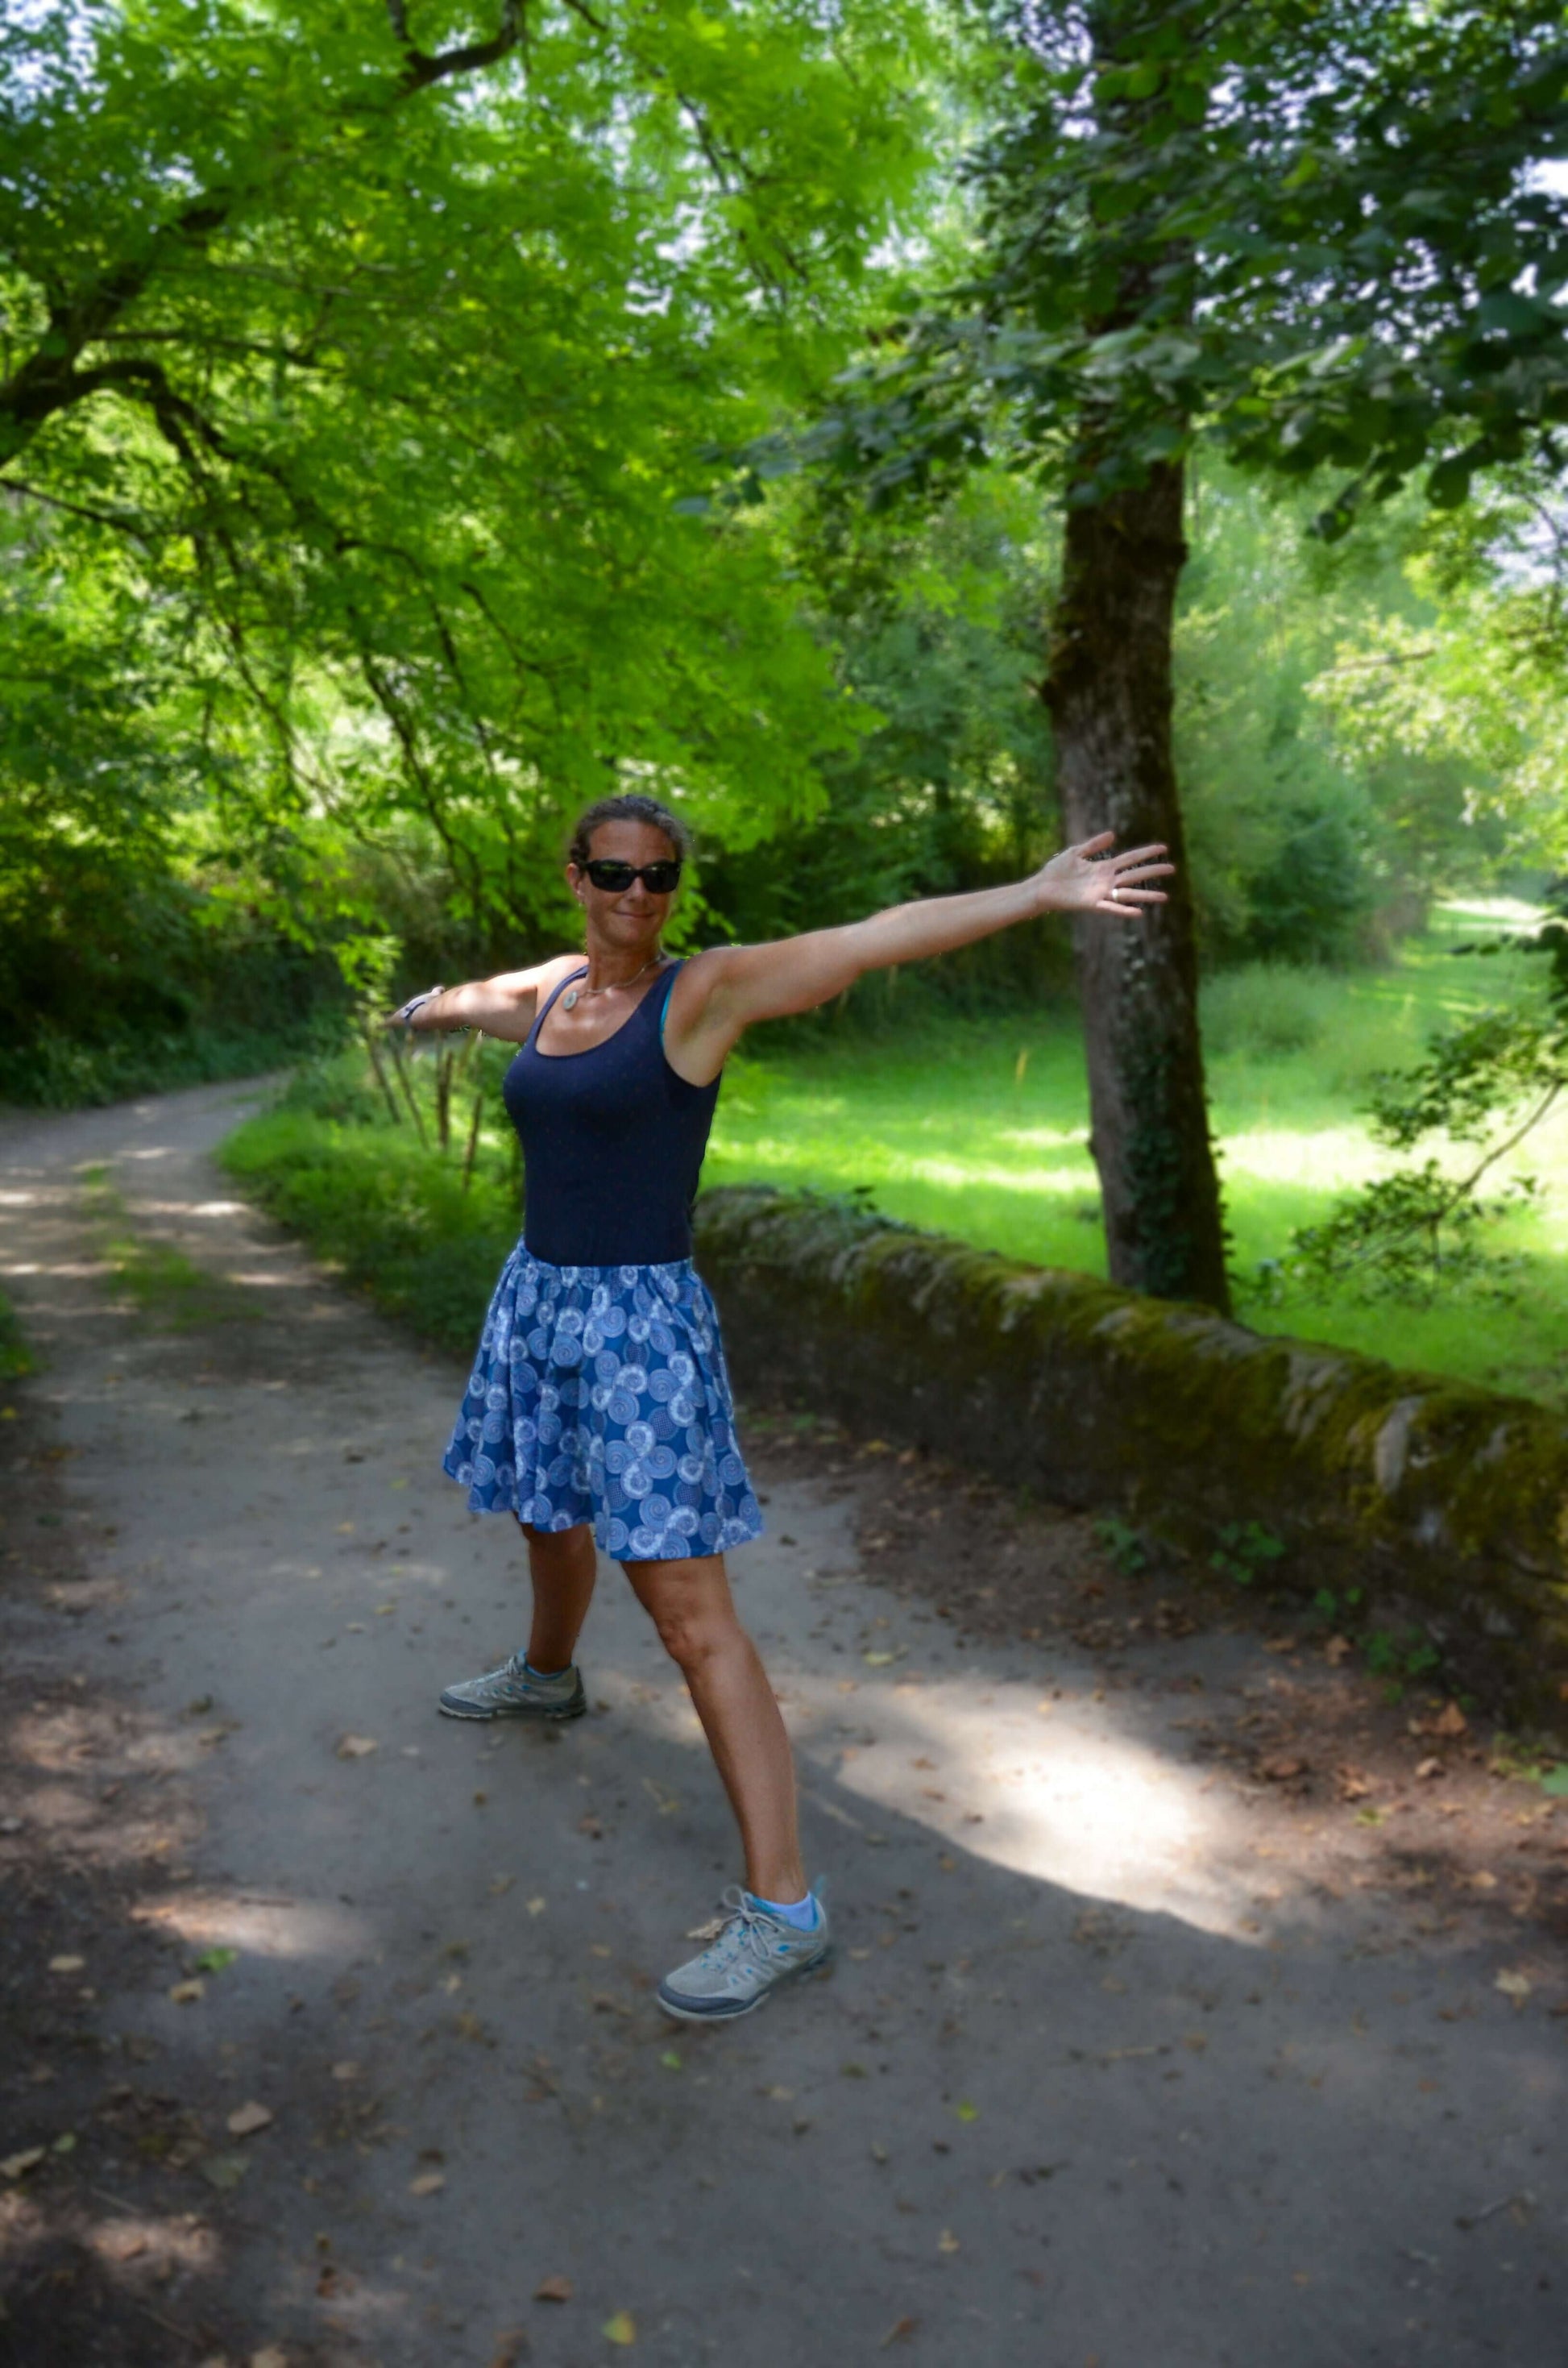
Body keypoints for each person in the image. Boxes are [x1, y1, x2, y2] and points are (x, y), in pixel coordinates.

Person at [390, 791, 1171, 2021]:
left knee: (692, 1618)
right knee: (546, 1512)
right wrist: (417, 1008)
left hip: (638, 1333)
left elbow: (867, 936)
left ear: (673, 891)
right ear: (574, 875)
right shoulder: (551, 989)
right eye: (612, 872)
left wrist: (1031, 892)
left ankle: (785, 1909)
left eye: (658, 878)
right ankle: (547, 1674)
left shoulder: (702, 997)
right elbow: (477, 997)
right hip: (537, 1302)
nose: (635, 896)